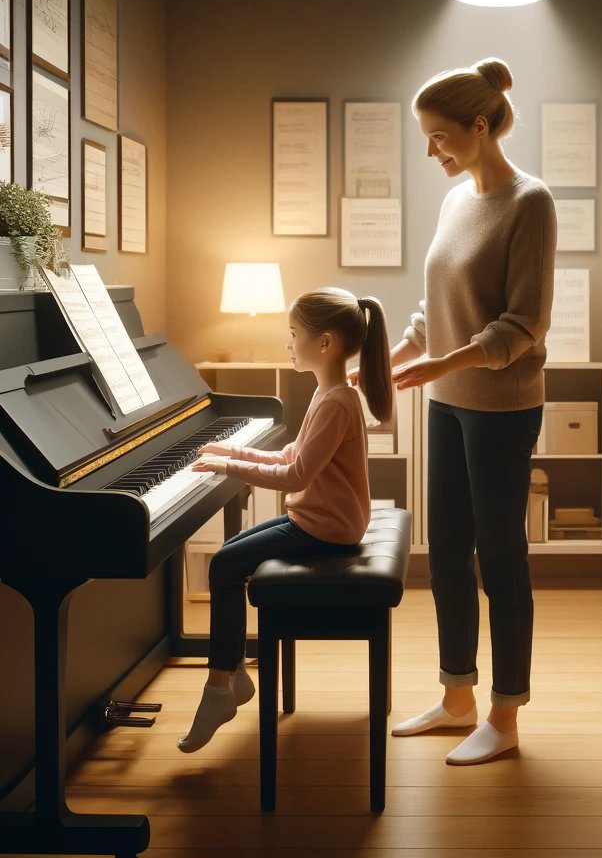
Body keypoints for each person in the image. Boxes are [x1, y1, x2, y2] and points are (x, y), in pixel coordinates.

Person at [386, 57, 556, 766]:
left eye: (439, 137)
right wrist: (393, 357)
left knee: (500, 557)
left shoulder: (530, 202)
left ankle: (505, 715)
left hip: (500, 407)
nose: (433, 152)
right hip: (448, 403)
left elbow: (524, 327)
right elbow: (438, 306)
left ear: (479, 126)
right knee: (445, 553)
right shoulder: (457, 201)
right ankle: (457, 697)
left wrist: (442, 364)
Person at [177, 287, 391, 753]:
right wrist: (231, 450)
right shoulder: (331, 392)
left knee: (224, 567)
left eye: (294, 335)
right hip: (321, 520)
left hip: (327, 530)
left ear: (326, 342)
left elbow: (295, 473)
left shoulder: (336, 401)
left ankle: (221, 687)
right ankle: (231, 676)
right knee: (229, 561)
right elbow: (296, 453)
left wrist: (229, 467)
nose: (289, 344)